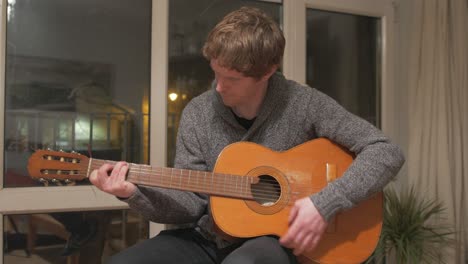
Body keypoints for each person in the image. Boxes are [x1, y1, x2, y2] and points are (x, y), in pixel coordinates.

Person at [90, 6, 405, 264]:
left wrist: (324, 204)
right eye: (216, 73)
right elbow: (189, 205)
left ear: (268, 71)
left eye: (232, 79)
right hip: (207, 238)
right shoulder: (198, 113)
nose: (218, 86)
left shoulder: (305, 104)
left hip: (275, 241)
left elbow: (386, 151)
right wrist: (132, 193)